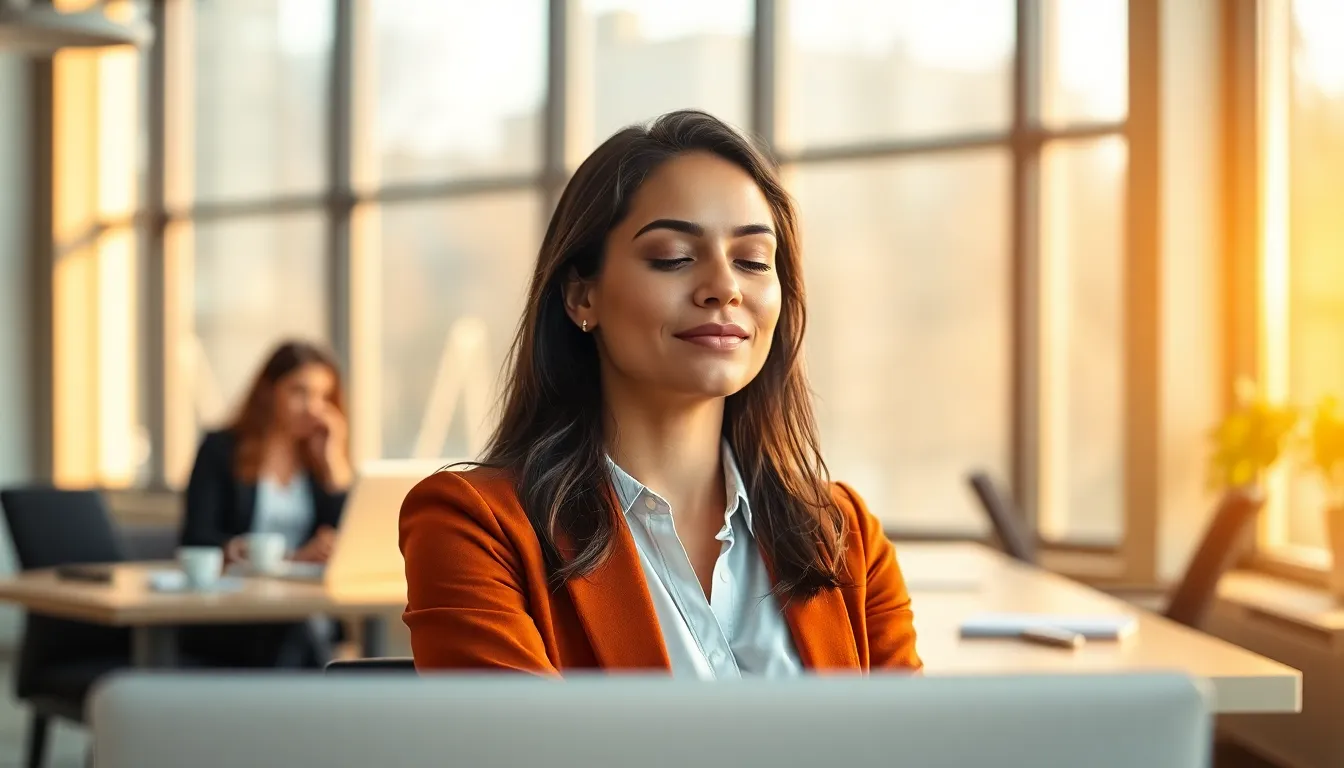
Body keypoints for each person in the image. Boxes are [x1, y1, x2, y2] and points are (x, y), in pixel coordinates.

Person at [400, 110, 921, 676]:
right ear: (581, 296)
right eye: (673, 257)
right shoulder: (475, 527)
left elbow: (910, 730)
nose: (724, 288)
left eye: (752, 261)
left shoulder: (845, 535)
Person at [179, 340, 352, 668]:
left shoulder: (317, 459)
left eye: (324, 396)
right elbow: (197, 537)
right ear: (268, 392)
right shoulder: (221, 450)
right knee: (300, 634)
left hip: (306, 607)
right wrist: (289, 558)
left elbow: (346, 538)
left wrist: (334, 466)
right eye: (299, 392)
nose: (313, 408)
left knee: (306, 630)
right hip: (236, 610)